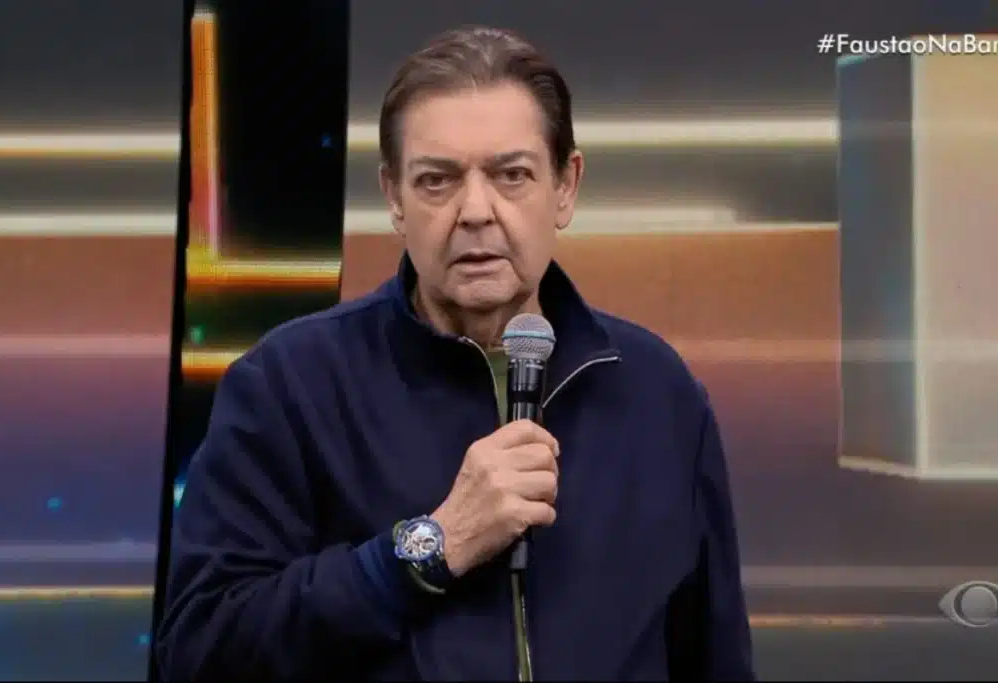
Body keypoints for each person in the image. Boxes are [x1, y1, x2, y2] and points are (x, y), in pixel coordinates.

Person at [154, 25, 754, 681]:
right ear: (394, 197)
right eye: (437, 180)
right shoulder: (289, 385)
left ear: (566, 185)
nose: (475, 211)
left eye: (512, 175)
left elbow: (714, 656)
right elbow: (201, 647)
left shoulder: (658, 392)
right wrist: (431, 547)